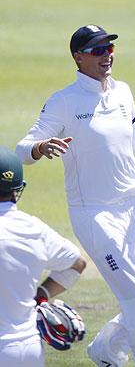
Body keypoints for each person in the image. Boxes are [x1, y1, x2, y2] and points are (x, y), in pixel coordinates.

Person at [15, 24, 135, 366]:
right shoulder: (64, 101)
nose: (106, 56)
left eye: (109, 49)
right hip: (95, 214)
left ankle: (106, 350)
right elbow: (22, 148)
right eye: (98, 50)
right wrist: (41, 147)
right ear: (79, 57)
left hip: (134, 208)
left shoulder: (123, 92)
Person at [0, 146, 87, 366]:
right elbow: (77, 263)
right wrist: (42, 293)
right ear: (16, 189)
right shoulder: (35, 229)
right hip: (29, 350)